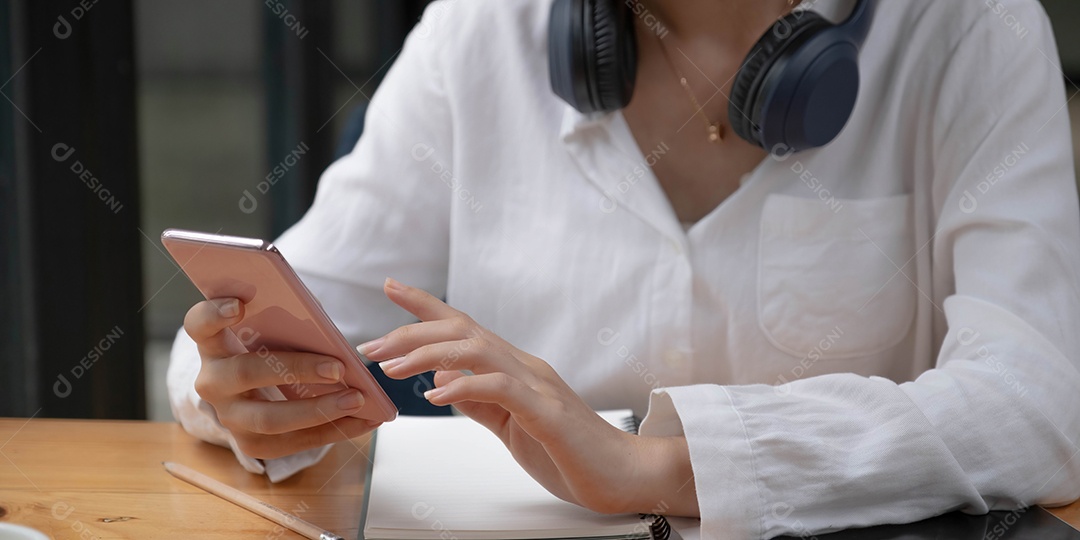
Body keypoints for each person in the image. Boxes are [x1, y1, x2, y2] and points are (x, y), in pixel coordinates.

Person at [168, 0, 1080, 537]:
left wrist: (663, 469)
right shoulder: (484, 29)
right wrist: (241, 384)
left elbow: (1039, 400)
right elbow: (288, 299)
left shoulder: (974, 31)